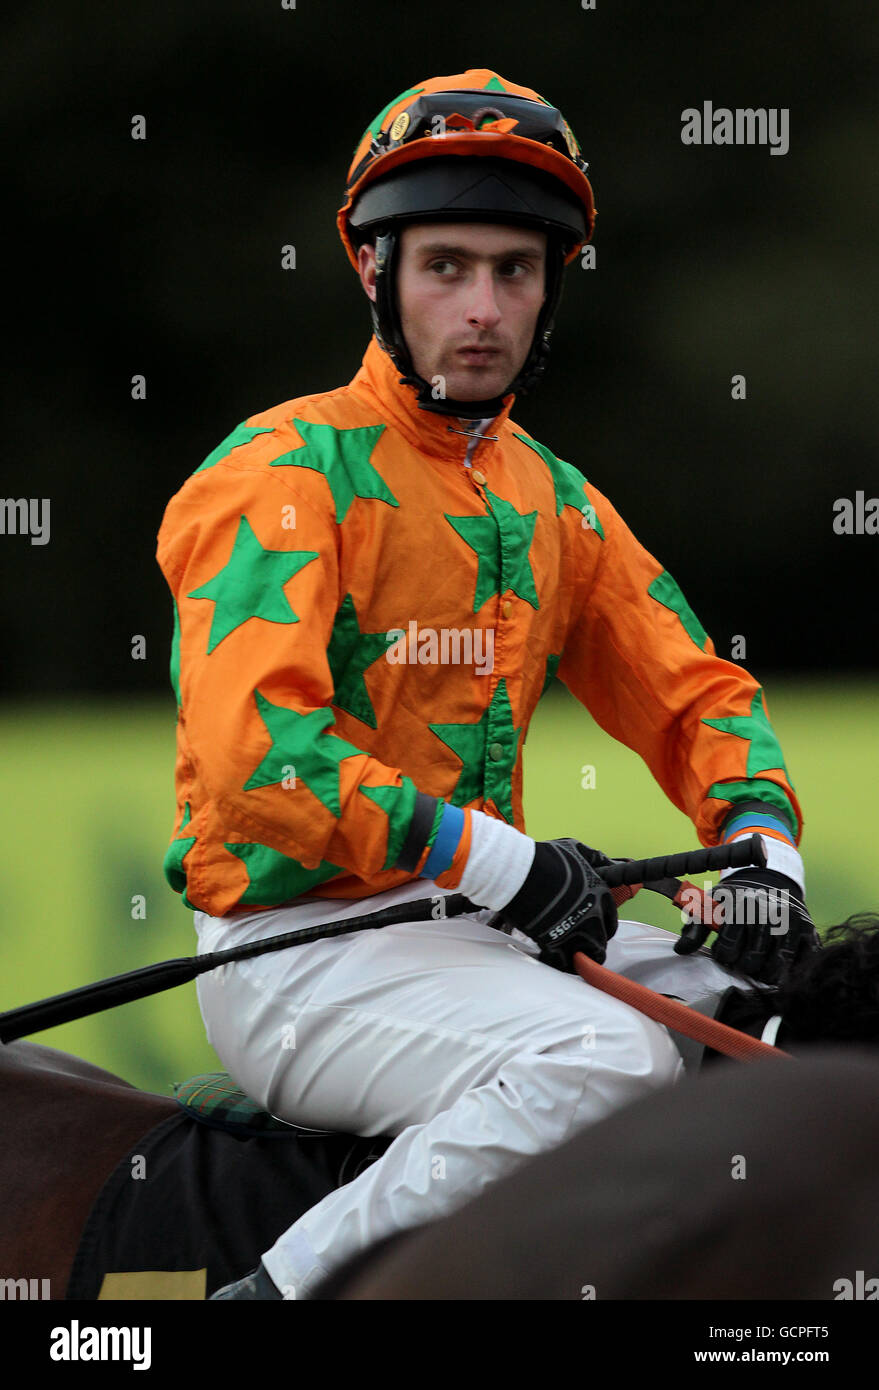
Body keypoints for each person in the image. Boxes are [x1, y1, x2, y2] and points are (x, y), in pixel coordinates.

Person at [155, 69, 816, 1300]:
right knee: (607, 1059)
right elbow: (263, 755)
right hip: (298, 947)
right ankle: (277, 1297)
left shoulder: (552, 496)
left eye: (516, 271)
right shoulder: (277, 470)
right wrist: (497, 861)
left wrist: (759, 845)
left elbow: (696, 695)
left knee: (797, 1037)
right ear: (372, 270)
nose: (483, 306)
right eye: (447, 265)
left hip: (478, 926)